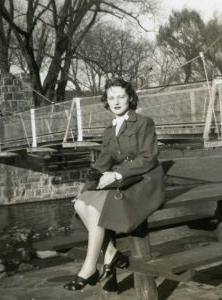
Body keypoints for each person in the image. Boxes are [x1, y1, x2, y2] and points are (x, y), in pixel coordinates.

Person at [63, 78, 165, 292]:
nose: (116, 102)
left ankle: (89, 269)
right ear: (106, 102)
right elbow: (101, 164)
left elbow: (148, 158)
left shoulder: (143, 122)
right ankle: (111, 254)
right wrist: (83, 191)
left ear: (130, 98)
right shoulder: (109, 130)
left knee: (97, 208)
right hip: (126, 178)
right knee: (81, 205)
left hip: (145, 179)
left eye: (120, 96)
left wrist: (116, 174)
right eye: (111, 98)